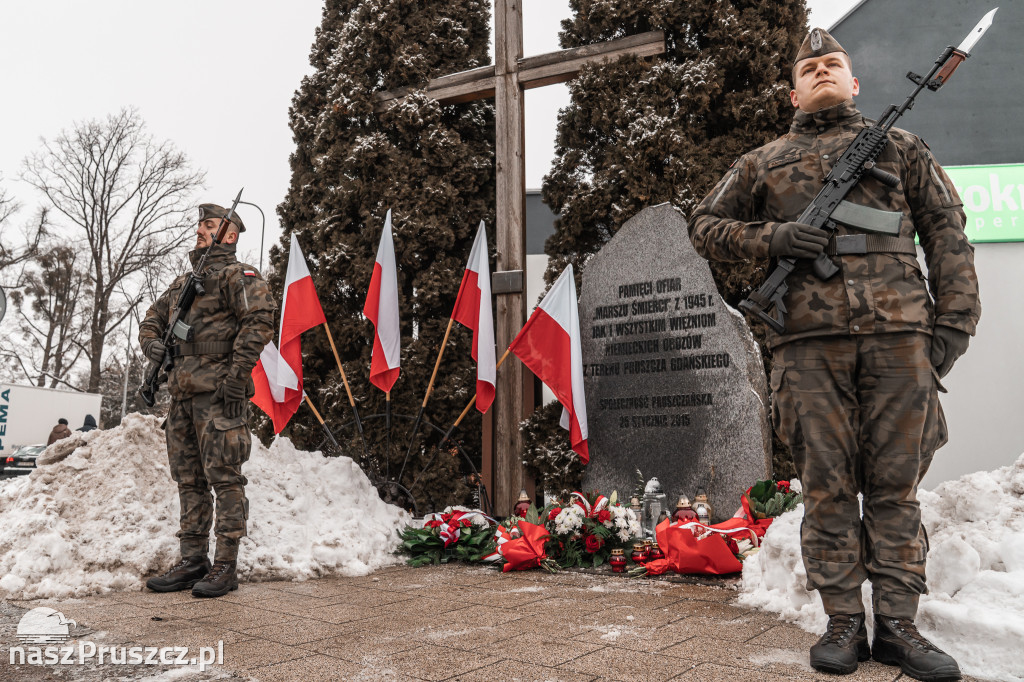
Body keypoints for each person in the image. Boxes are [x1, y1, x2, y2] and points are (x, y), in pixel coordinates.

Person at [689, 29, 979, 681]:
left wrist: (953, 326)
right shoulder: (763, 162)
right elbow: (704, 226)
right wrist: (776, 238)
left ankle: (900, 626)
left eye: (834, 64)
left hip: (900, 336)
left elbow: (946, 234)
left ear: (855, 83)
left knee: (895, 486)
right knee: (826, 486)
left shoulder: (902, 147)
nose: (822, 71)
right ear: (793, 91)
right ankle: (844, 620)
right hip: (805, 345)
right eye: (809, 67)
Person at [139, 203, 275, 598]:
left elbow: (259, 323)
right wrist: (153, 347)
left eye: (209, 224)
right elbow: (153, 318)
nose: (200, 229)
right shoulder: (184, 283)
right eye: (200, 223)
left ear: (229, 235)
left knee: (225, 479)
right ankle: (193, 559)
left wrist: (237, 379)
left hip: (219, 394)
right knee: (189, 481)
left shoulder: (239, 275)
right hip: (181, 396)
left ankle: (226, 565)